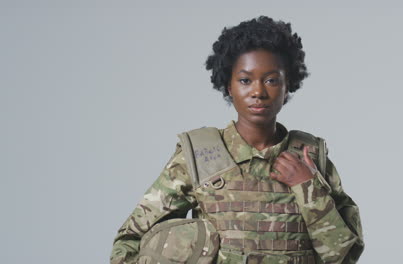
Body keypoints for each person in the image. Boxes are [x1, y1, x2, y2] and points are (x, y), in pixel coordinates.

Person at [110, 16, 364, 264]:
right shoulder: (199, 157)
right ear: (229, 87)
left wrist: (307, 186)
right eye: (245, 80)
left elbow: (342, 256)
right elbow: (129, 241)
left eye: (272, 80)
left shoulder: (310, 158)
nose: (258, 92)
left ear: (288, 87)